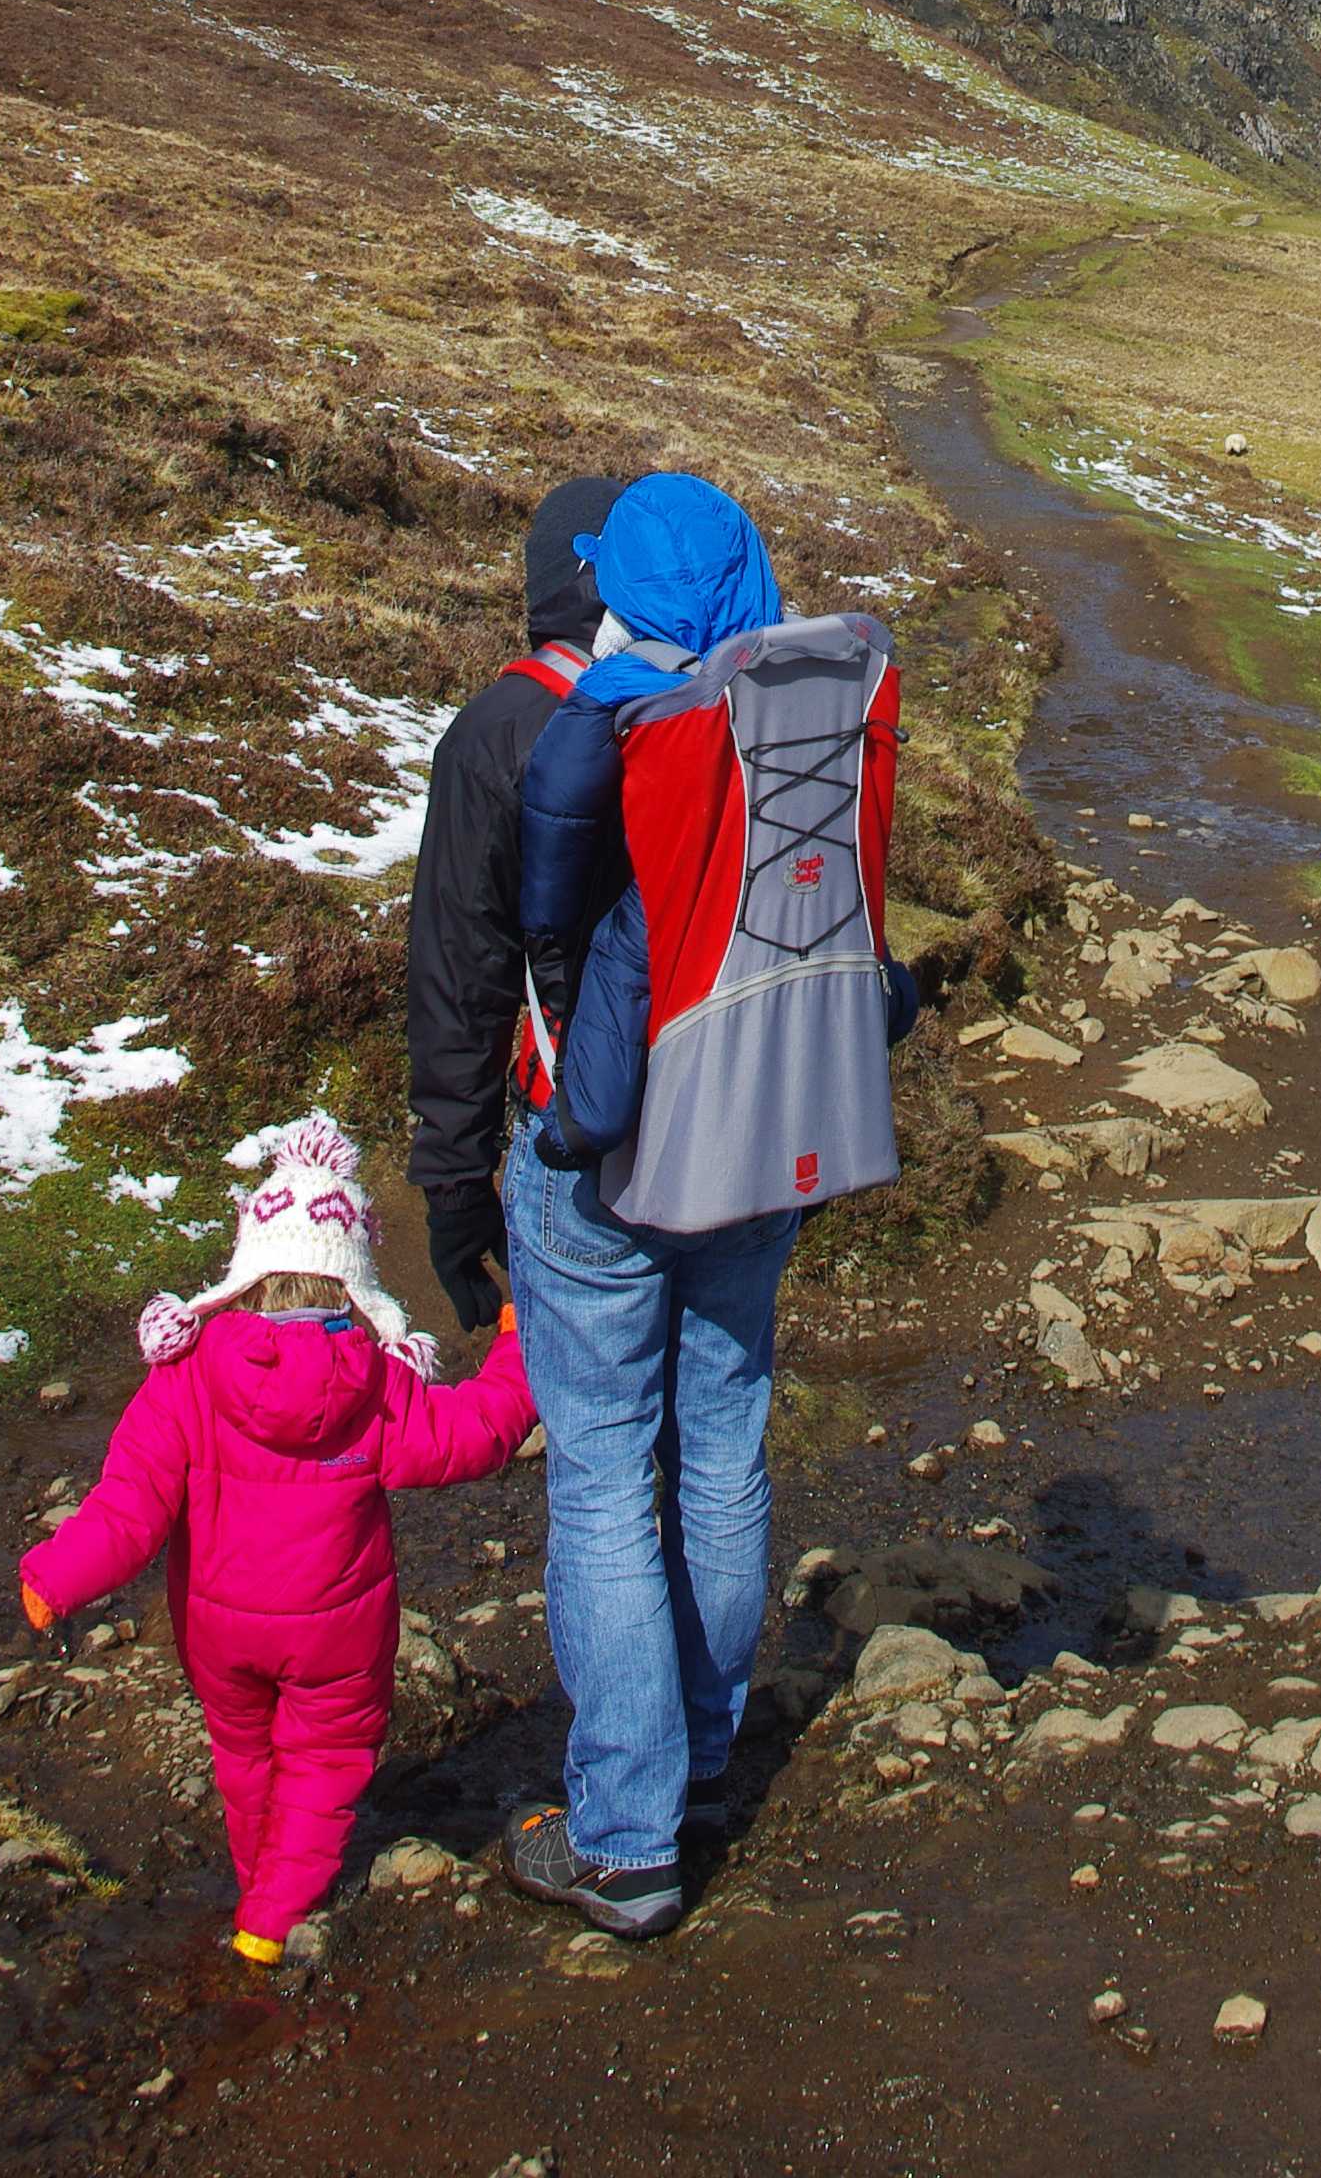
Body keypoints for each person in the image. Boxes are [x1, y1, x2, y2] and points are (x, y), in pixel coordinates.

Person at [498, 472, 919, 1941]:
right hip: (770, 1135)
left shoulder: (611, 720)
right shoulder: (815, 692)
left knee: (608, 1475)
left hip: (624, 1150)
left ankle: (624, 1839)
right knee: (724, 1443)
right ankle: (702, 1757)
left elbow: (551, 913)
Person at [17, 1112, 535, 1966]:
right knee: (325, 1768)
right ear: (352, 1284)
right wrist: (518, 1350)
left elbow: (127, 1509)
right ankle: (271, 1916)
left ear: (246, 1275)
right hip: (337, 1635)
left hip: (218, 1630)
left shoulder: (184, 1377)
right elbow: (478, 1431)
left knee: (243, 1755)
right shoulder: (376, 1385)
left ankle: (257, 1875)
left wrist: (53, 1579)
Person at [407, 475, 617, 1331]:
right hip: (729, 1122)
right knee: (717, 1420)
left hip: (576, 1132)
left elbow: (463, 976)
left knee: (595, 1430)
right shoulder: (714, 703)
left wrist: (456, 1179)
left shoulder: (497, 733)